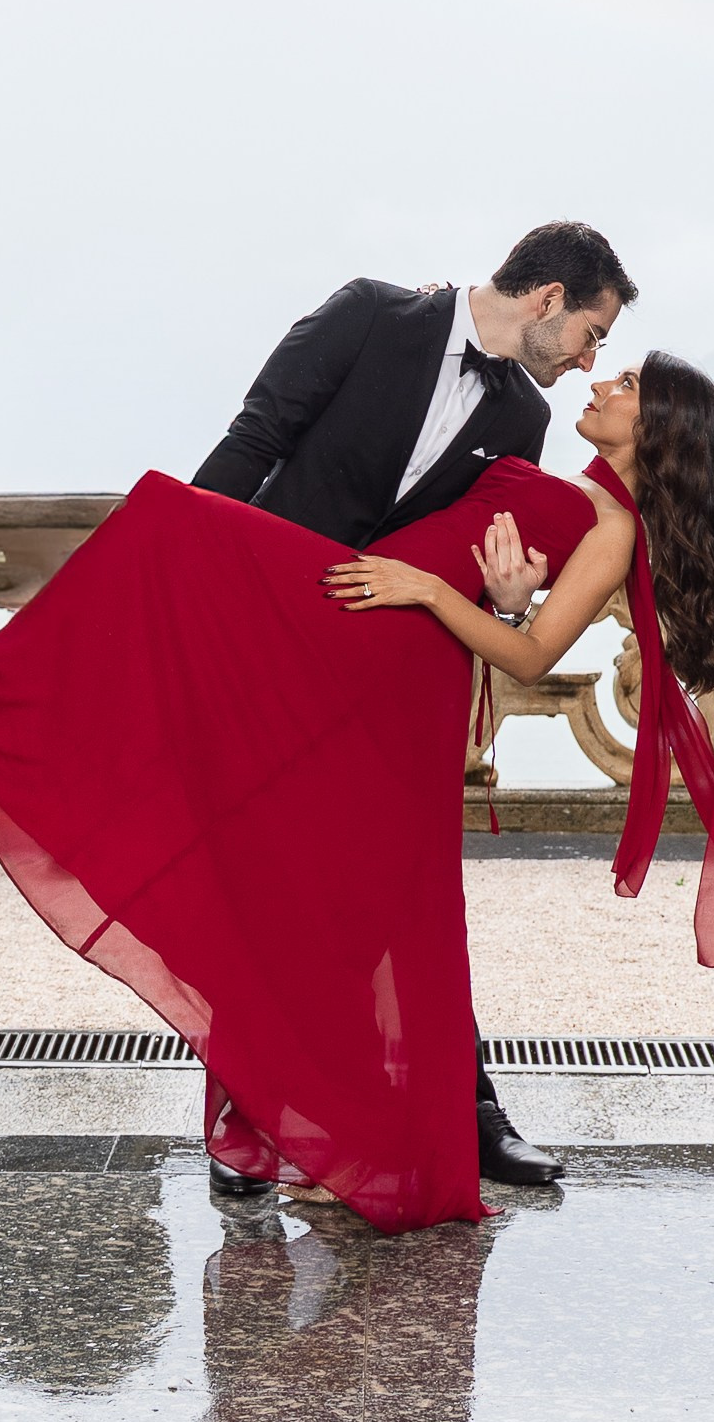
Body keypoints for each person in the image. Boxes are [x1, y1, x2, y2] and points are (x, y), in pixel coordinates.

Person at [0, 351, 714, 1237]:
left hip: (390, 659)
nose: (603, 380)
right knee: (289, 880)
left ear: (656, 429)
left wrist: (447, 596)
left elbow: (531, 656)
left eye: (628, 382)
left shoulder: (615, 529)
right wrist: (488, 596)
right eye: (611, 364)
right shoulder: (559, 472)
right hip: (353, 620)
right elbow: (475, 566)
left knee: (171, 522)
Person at [186, 220, 638, 1186]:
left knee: (402, 888)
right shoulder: (368, 314)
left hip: (396, 672)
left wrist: (507, 602)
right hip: (278, 642)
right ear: (550, 297)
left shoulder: (524, 419)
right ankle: (247, 1118)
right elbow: (253, 442)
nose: (594, 357)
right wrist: (188, 566)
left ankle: (466, 1107)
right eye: (593, 333)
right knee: (271, 883)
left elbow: (473, 561)